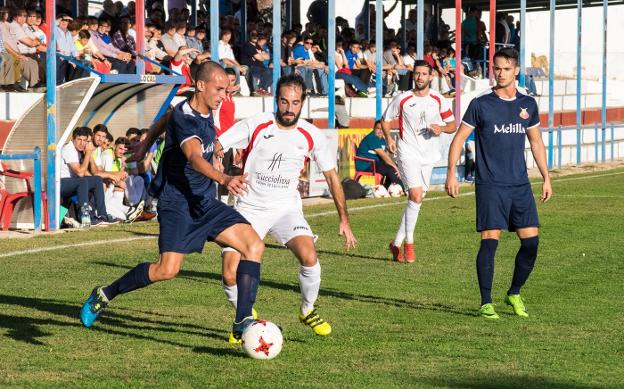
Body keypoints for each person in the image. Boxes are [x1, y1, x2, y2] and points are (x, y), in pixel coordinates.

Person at [80, 62, 267, 343]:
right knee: (166, 270)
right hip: (178, 204)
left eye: (226, 91)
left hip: (203, 201)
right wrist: (224, 178)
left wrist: (146, 142)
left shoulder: (194, 109)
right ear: (200, 86)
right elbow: (193, 157)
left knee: (253, 245)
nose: (223, 96)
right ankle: (104, 294)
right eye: (219, 89)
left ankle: (242, 320)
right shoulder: (188, 119)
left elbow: (166, 118)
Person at [216, 74, 357, 342]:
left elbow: (331, 177)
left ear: (302, 102)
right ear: (276, 100)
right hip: (249, 206)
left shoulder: (311, 135)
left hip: (285, 208)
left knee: (309, 256)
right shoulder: (257, 124)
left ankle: (307, 310)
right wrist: (222, 175)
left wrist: (344, 220)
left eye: (294, 103)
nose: (289, 108)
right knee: (228, 271)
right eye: (283, 102)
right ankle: (244, 316)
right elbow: (218, 145)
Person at [445, 48, 552, 319]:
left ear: (516, 70)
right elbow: (458, 140)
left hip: (520, 185)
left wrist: (546, 177)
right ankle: (486, 302)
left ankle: (514, 292)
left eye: (506, 68)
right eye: (497, 68)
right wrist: (450, 174)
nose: (500, 73)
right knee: (490, 242)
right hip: (490, 184)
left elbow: (536, 143)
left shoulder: (527, 104)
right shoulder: (481, 103)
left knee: (531, 243)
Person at [382, 60, 456, 263]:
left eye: (424, 74)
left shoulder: (438, 99)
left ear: (431, 76)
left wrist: (441, 129)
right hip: (407, 152)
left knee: (416, 200)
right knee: (415, 195)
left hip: (429, 155)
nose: (420, 77)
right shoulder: (403, 98)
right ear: (413, 75)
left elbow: (452, 125)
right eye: (417, 74)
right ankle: (409, 244)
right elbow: (386, 119)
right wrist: (389, 138)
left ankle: (395, 243)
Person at [59, 127, 110, 226]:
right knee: (82, 181)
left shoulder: (78, 151)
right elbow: (80, 173)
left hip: (71, 182)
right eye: (79, 140)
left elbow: (89, 173)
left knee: (97, 180)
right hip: (60, 183)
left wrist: (88, 155)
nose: (82, 143)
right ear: (73, 139)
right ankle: (85, 218)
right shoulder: (68, 149)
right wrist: (88, 154)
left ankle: (102, 216)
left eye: (84, 140)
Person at [356, 120, 403, 189]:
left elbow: (385, 155)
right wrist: (395, 167)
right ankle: (402, 189)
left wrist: (389, 152)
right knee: (391, 168)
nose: (380, 131)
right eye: (378, 128)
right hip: (366, 164)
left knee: (394, 167)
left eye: (382, 129)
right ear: (374, 129)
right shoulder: (372, 138)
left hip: (374, 163)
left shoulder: (382, 139)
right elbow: (383, 156)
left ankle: (388, 188)